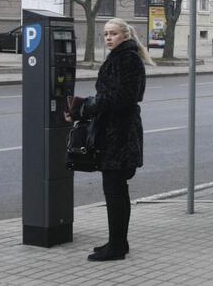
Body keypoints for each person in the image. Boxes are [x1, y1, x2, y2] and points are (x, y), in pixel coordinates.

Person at [65, 18, 153, 261]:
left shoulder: (128, 59)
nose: (108, 38)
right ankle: (118, 242)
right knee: (116, 190)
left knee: (114, 191)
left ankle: (116, 248)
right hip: (115, 132)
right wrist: (85, 105)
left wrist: (84, 108)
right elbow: (109, 95)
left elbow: (122, 97)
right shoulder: (119, 57)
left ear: (125, 35)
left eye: (113, 33)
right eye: (105, 34)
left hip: (121, 134)